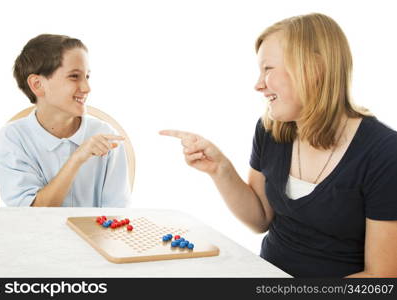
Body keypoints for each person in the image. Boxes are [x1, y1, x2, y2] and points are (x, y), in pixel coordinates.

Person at [160, 13, 397, 277]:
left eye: (268, 69)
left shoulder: (385, 154)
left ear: (313, 68)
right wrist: (220, 169)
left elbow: (381, 277)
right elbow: (260, 218)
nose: (258, 85)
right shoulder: (270, 130)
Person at [0, 34, 130, 207]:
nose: (87, 88)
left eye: (87, 76)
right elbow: (30, 215)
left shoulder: (106, 136)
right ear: (37, 84)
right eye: (74, 76)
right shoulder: (12, 139)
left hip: (94, 235)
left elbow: (116, 213)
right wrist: (77, 158)